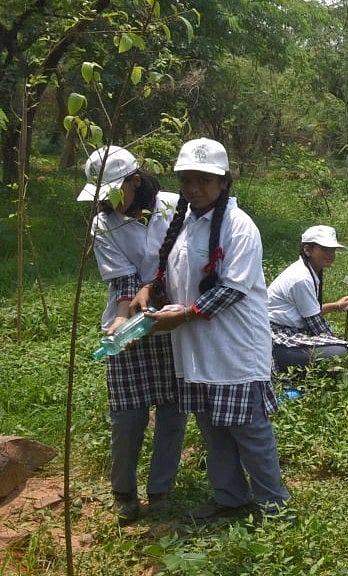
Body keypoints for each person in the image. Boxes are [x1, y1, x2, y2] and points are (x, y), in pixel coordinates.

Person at [132, 138, 290, 522]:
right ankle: (230, 498)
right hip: (195, 350)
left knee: (250, 431)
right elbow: (176, 272)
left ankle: (275, 506)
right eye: (188, 180)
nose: (195, 189)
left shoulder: (240, 226)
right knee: (213, 430)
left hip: (234, 350)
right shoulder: (184, 223)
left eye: (205, 180)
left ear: (224, 182)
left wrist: (181, 317)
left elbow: (232, 289)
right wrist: (149, 289)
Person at [79, 145, 187, 524]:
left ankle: (161, 491)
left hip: (173, 320)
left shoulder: (176, 208)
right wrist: (123, 320)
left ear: (134, 182)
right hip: (132, 325)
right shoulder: (104, 223)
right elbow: (124, 280)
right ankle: (123, 491)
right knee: (128, 416)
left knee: (173, 412)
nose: (106, 203)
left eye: (112, 193)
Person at [267, 225, 348, 374]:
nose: (331, 254)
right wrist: (334, 341)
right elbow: (316, 325)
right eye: (325, 249)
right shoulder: (301, 278)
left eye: (332, 250)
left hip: (287, 331)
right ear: (307, 250)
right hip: (277, 338)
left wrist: (336, 306)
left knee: (340, 350)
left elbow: (307, 309)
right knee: (344, 351)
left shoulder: (309, 271)